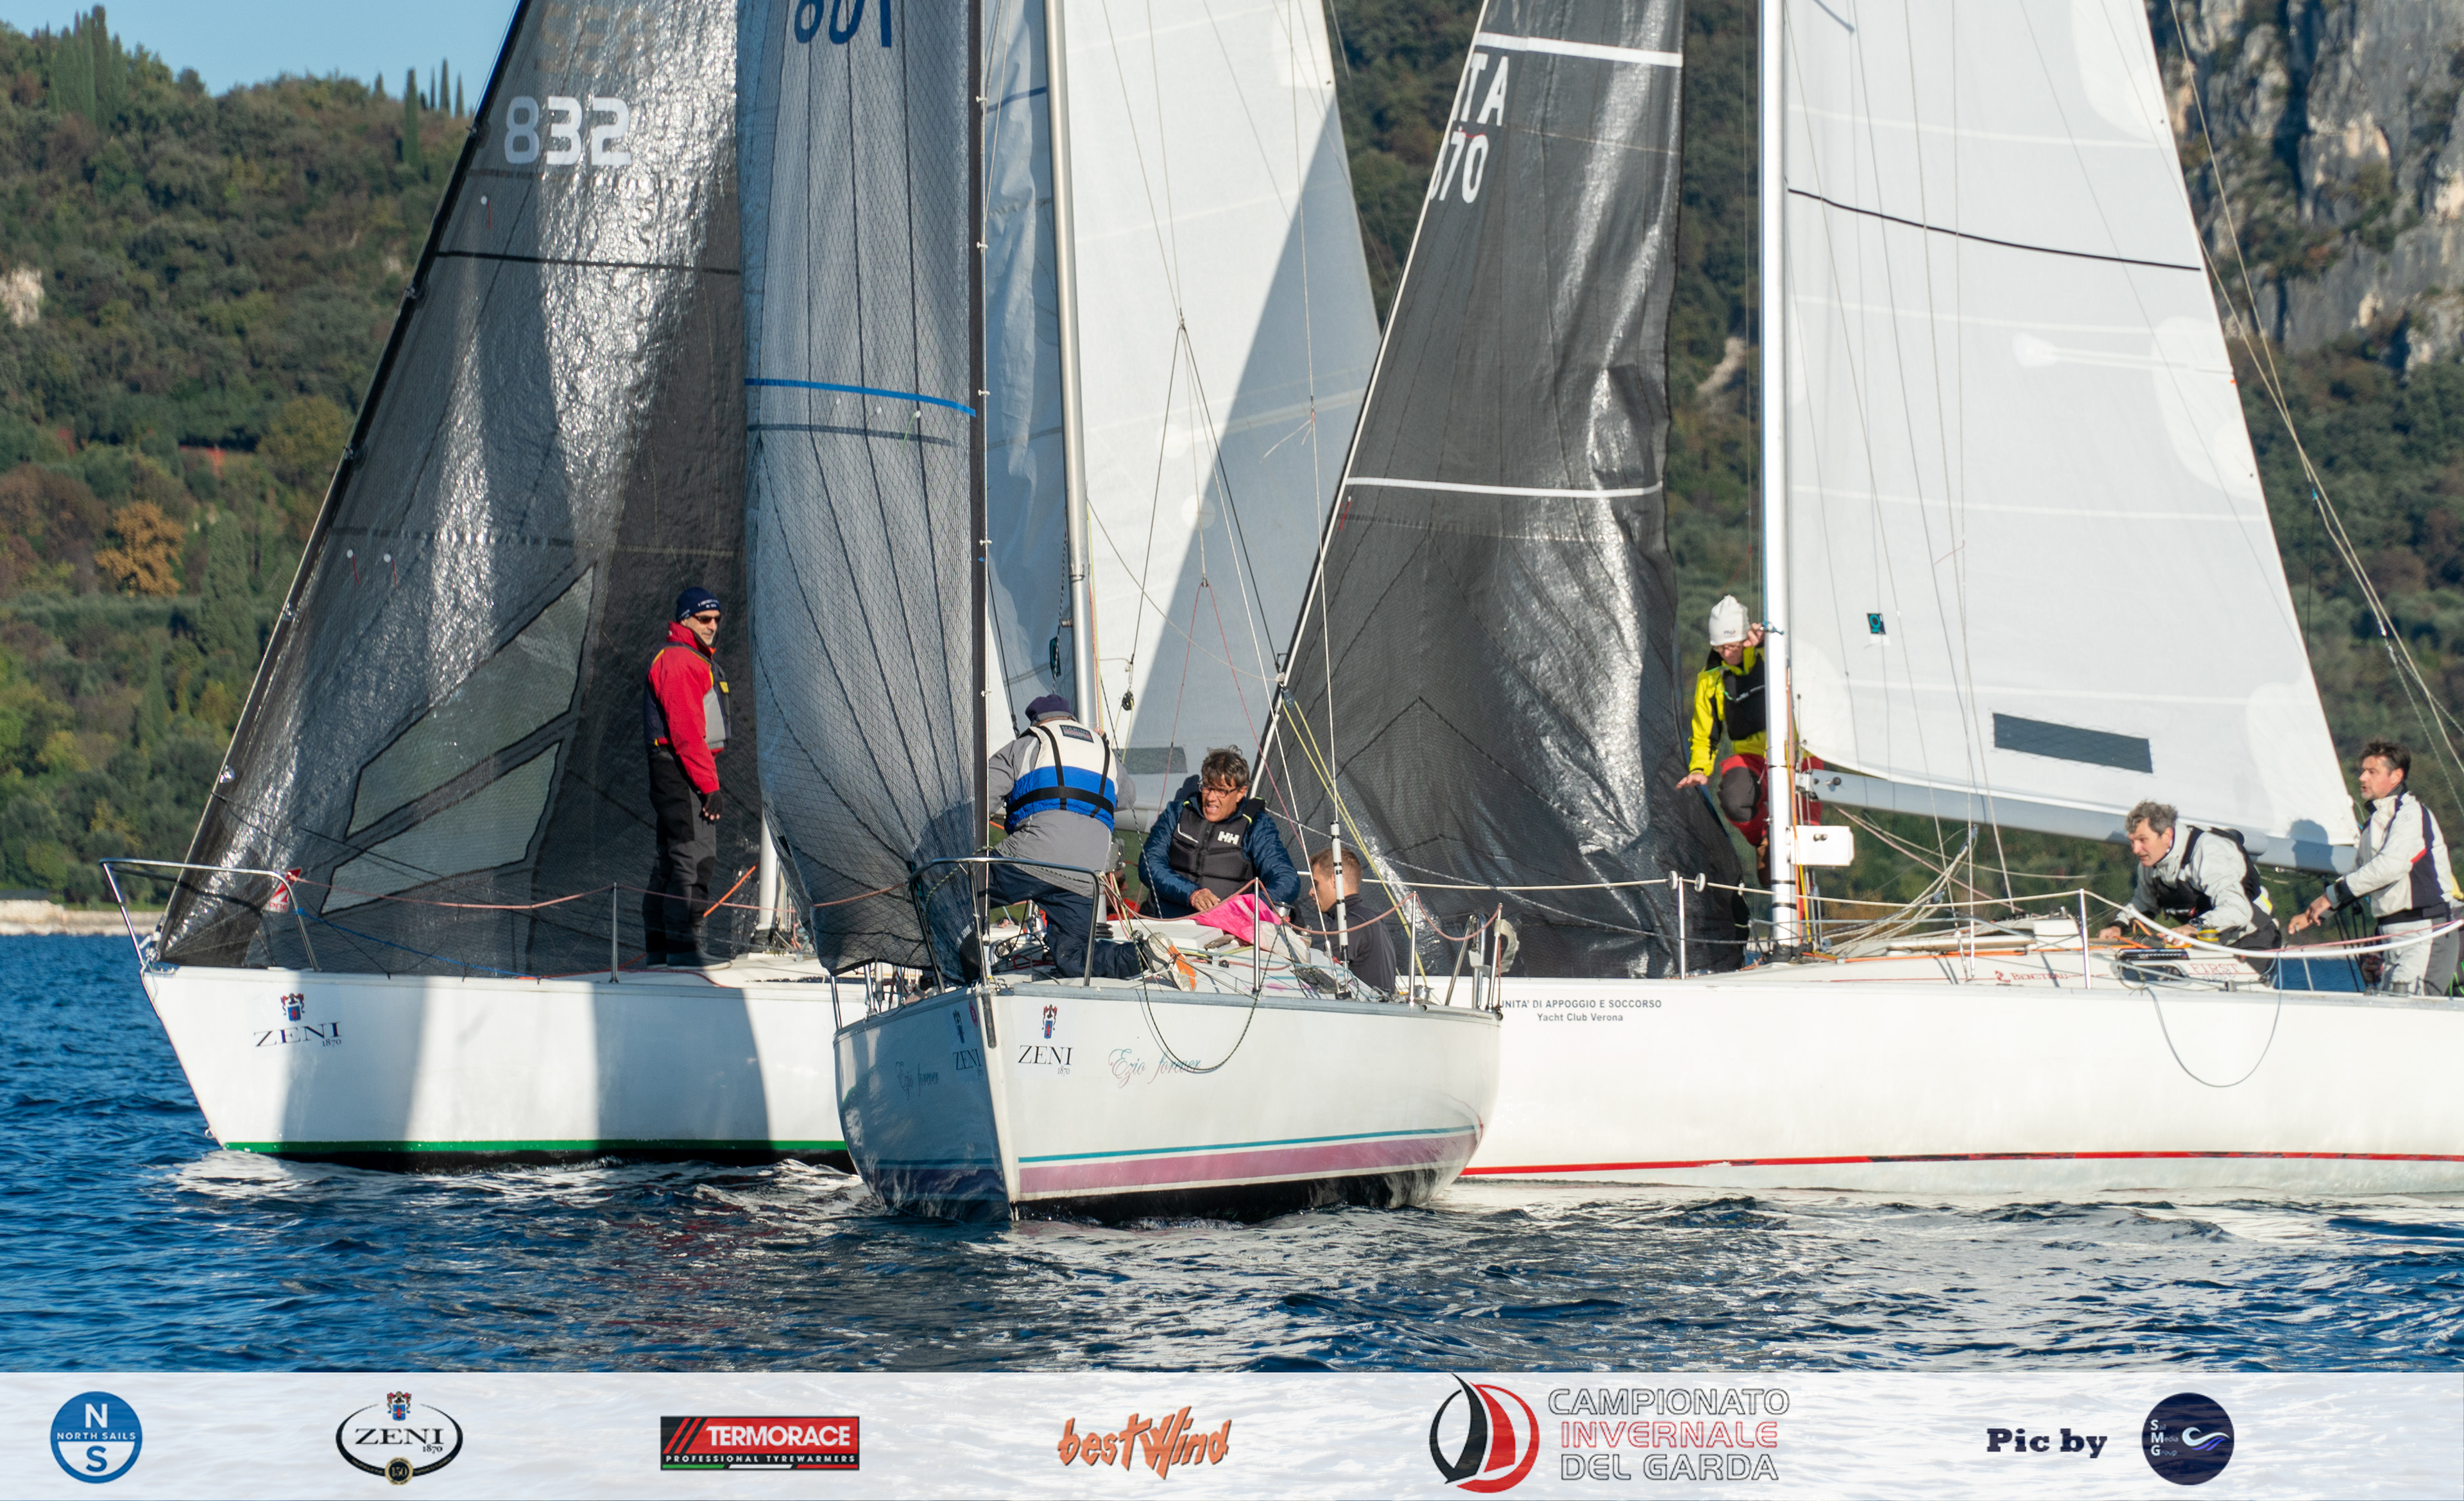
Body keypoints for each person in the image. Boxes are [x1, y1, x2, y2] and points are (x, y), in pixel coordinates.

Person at [982, 694, 1151, 979]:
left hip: (1029, 859)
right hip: (1085, 874)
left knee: (955, 892)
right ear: (1071, 718)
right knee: (1074, 956)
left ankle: (964, 970)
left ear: (1036, 721)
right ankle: (1141, 956)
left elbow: (978, 801)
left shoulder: (1026, 745)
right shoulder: (1104, 751)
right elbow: (1127, 798)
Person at [2289, 738, 2460, 995]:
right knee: (2392, 1012)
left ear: (2396, 776)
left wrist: (2328, 898)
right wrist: (2316, 912)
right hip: (2394, 936)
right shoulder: (2375, 823)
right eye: (2362, 771)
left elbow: (2391, 866)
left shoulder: (2410, 814)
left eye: (2372, 771)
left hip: (2426, 933)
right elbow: (2358, 877)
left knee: (2412, 1016)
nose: (2362, 778)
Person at [643, 586, 730, 967]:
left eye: (716, 620)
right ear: (685, 621)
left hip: (675, 767)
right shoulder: (680, 661)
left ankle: (662, 949)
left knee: (673, 856)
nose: (712, 626)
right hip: (680, 769)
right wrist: (710, 787)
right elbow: (686, 733)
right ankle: (682, 949)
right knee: (693, 857)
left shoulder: (688, 657)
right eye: (704, 619)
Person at [2096, 800, 2279, 959]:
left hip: (2252, 937)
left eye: (2143, 840)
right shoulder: (2150, 863)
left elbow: (2238, 910)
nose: (2136, 849)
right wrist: (2118, 926)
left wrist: (2193, 927)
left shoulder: (2209, 852)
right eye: (2132, 841)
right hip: (2205, 944)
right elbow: (2144, 903)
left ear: (2166, 836)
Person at [1138, 747, 1301, 920]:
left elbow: (1287, 879)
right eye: (1207, 787)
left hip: (1225, 932)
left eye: (1221, 791)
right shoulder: (1177, 812)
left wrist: (1247, 908)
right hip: (1171, 925)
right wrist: (1192, 893)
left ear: (1240, 792)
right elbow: (1150, 864)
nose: (1211, 798)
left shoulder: (1257, 825)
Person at [1290, 842, 1400, 994]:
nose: (1310, 892)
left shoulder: (1349, 924)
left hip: (1362, 1014)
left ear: (1335, 881)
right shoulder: (1372, 918)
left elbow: (1326, 980)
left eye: (1316, 884)